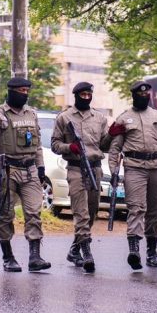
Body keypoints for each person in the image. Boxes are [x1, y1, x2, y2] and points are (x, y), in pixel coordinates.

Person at [108, 81, 157, 270]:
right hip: (134, 168)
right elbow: (115, 148)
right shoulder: (123, 118)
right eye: (140, 94)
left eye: (147, 94)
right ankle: (134, 251)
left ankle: (151, 253)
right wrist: (113, 171)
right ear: (134, 95)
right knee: (136, 208)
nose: (144, 96)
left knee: (155, 211)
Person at [0, 77, 51, 273]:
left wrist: (41, 167)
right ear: (11, 91)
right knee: (5, 215)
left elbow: (37, 145)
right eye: (21, 90)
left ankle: (35, 256)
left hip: (29, 170)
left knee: (34, 212)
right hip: (8, 170)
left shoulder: (32, 114)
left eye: (26, 90)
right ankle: (8, 257)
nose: (25, 94)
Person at [51, 82, 111, 273]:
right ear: (76, 96)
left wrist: (113, 135)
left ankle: (74, 249)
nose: (86, 97)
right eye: (82, 95)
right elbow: (54, 144)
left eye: (89, 94)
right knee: (81, 213)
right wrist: (70, 148)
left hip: (95, 169)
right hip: (76, 169)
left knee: (92, 211)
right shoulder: (64, 118)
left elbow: (104, 145)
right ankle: (87, 253)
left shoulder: (100, 118)